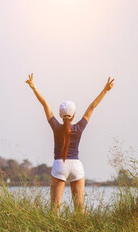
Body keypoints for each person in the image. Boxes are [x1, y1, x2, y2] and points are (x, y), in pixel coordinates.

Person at [26, 73, 114, 215]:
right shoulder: (79, 127)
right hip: (76, 167)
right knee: (80, 210)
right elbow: (92, 107)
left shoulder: (56, 126)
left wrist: (33, 87)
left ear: (60, 115)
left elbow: (45, 105)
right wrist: (105, 89)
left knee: (54, 211)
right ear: (73, 115)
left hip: (59, 165)